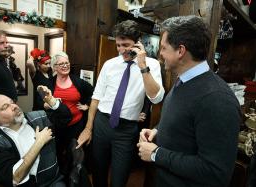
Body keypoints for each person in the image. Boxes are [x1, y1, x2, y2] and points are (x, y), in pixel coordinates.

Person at [137, 15, 241, 187]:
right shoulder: (183, 81)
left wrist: (157, 154)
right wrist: (157, 131)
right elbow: (183, 125)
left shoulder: (217, 99)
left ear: (180, 51)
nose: (159, 54)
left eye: (163, 48)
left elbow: (215, 172)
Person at [77, 20, 165, 187]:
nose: (121, 50)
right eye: (118, 45)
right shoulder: (109, 65)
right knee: (98, 173)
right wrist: (88, 128)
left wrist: (142, 66)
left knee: (120, 178)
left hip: (126, 130)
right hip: (102, 123)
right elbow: (96, 97)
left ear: (138, 43)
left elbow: (156, 98)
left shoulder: (152, 65)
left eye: (126, 45)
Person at [0, 94, 65, 187]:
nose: (14, 107)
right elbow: (15, 178)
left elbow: (65, 118)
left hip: (54, 182)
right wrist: (39, 143)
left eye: (12, 102)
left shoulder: (36, 117)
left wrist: (53, 102)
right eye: (5, 107)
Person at [46, 51, 93, 183]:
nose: (65, 65)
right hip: (58, 126)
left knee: (76, 156)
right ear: (54, 67)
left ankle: (75, 180)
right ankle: (61, 179)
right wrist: (48, 104)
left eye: (67, 63)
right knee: (58, 154)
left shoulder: (77, 81)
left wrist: (87, 106)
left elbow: (93, 93)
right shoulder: (49, 83)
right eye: (61, 64)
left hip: (76, 125)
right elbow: (42, 102)